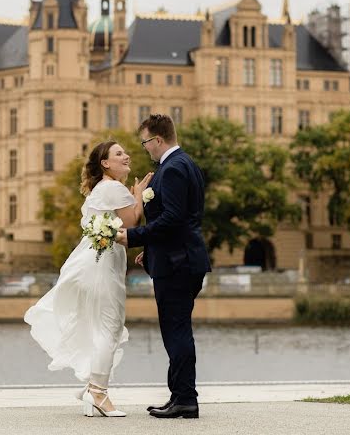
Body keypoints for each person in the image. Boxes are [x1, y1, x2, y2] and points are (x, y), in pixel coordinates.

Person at [24, 141, 152, 418]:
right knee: (110, 326)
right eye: (119, 154)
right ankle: (98, 392)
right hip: (102, 266)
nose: (126, 155)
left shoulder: (100, 189)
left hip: (91, 262)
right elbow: (131, 223)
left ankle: (92, 386)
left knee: (102, 326)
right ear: (105, 163)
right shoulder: (113, 188)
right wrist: (139, 195)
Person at [116, 114, 212, 419]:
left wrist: (131, 236)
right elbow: (184, 219)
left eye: (145, 142)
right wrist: (151, 248)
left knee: (176, 330)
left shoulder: (171, 169)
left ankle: (186, 398)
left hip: (177, 263)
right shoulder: (188, 164)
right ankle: (180, 396)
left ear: (158, 139)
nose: (145, 148)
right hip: (181, 257)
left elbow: (172, 219)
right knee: (177, 328)